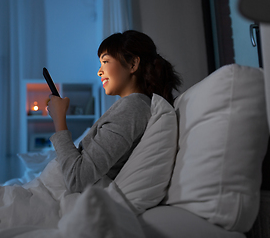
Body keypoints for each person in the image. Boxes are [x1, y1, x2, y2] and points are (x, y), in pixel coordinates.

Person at [47, 30, 181, 193]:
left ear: (132, 64)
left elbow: (78, 179)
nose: (99, 71)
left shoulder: (132, 108)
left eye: (105, 61)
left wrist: (59, 120)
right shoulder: (133, 106)